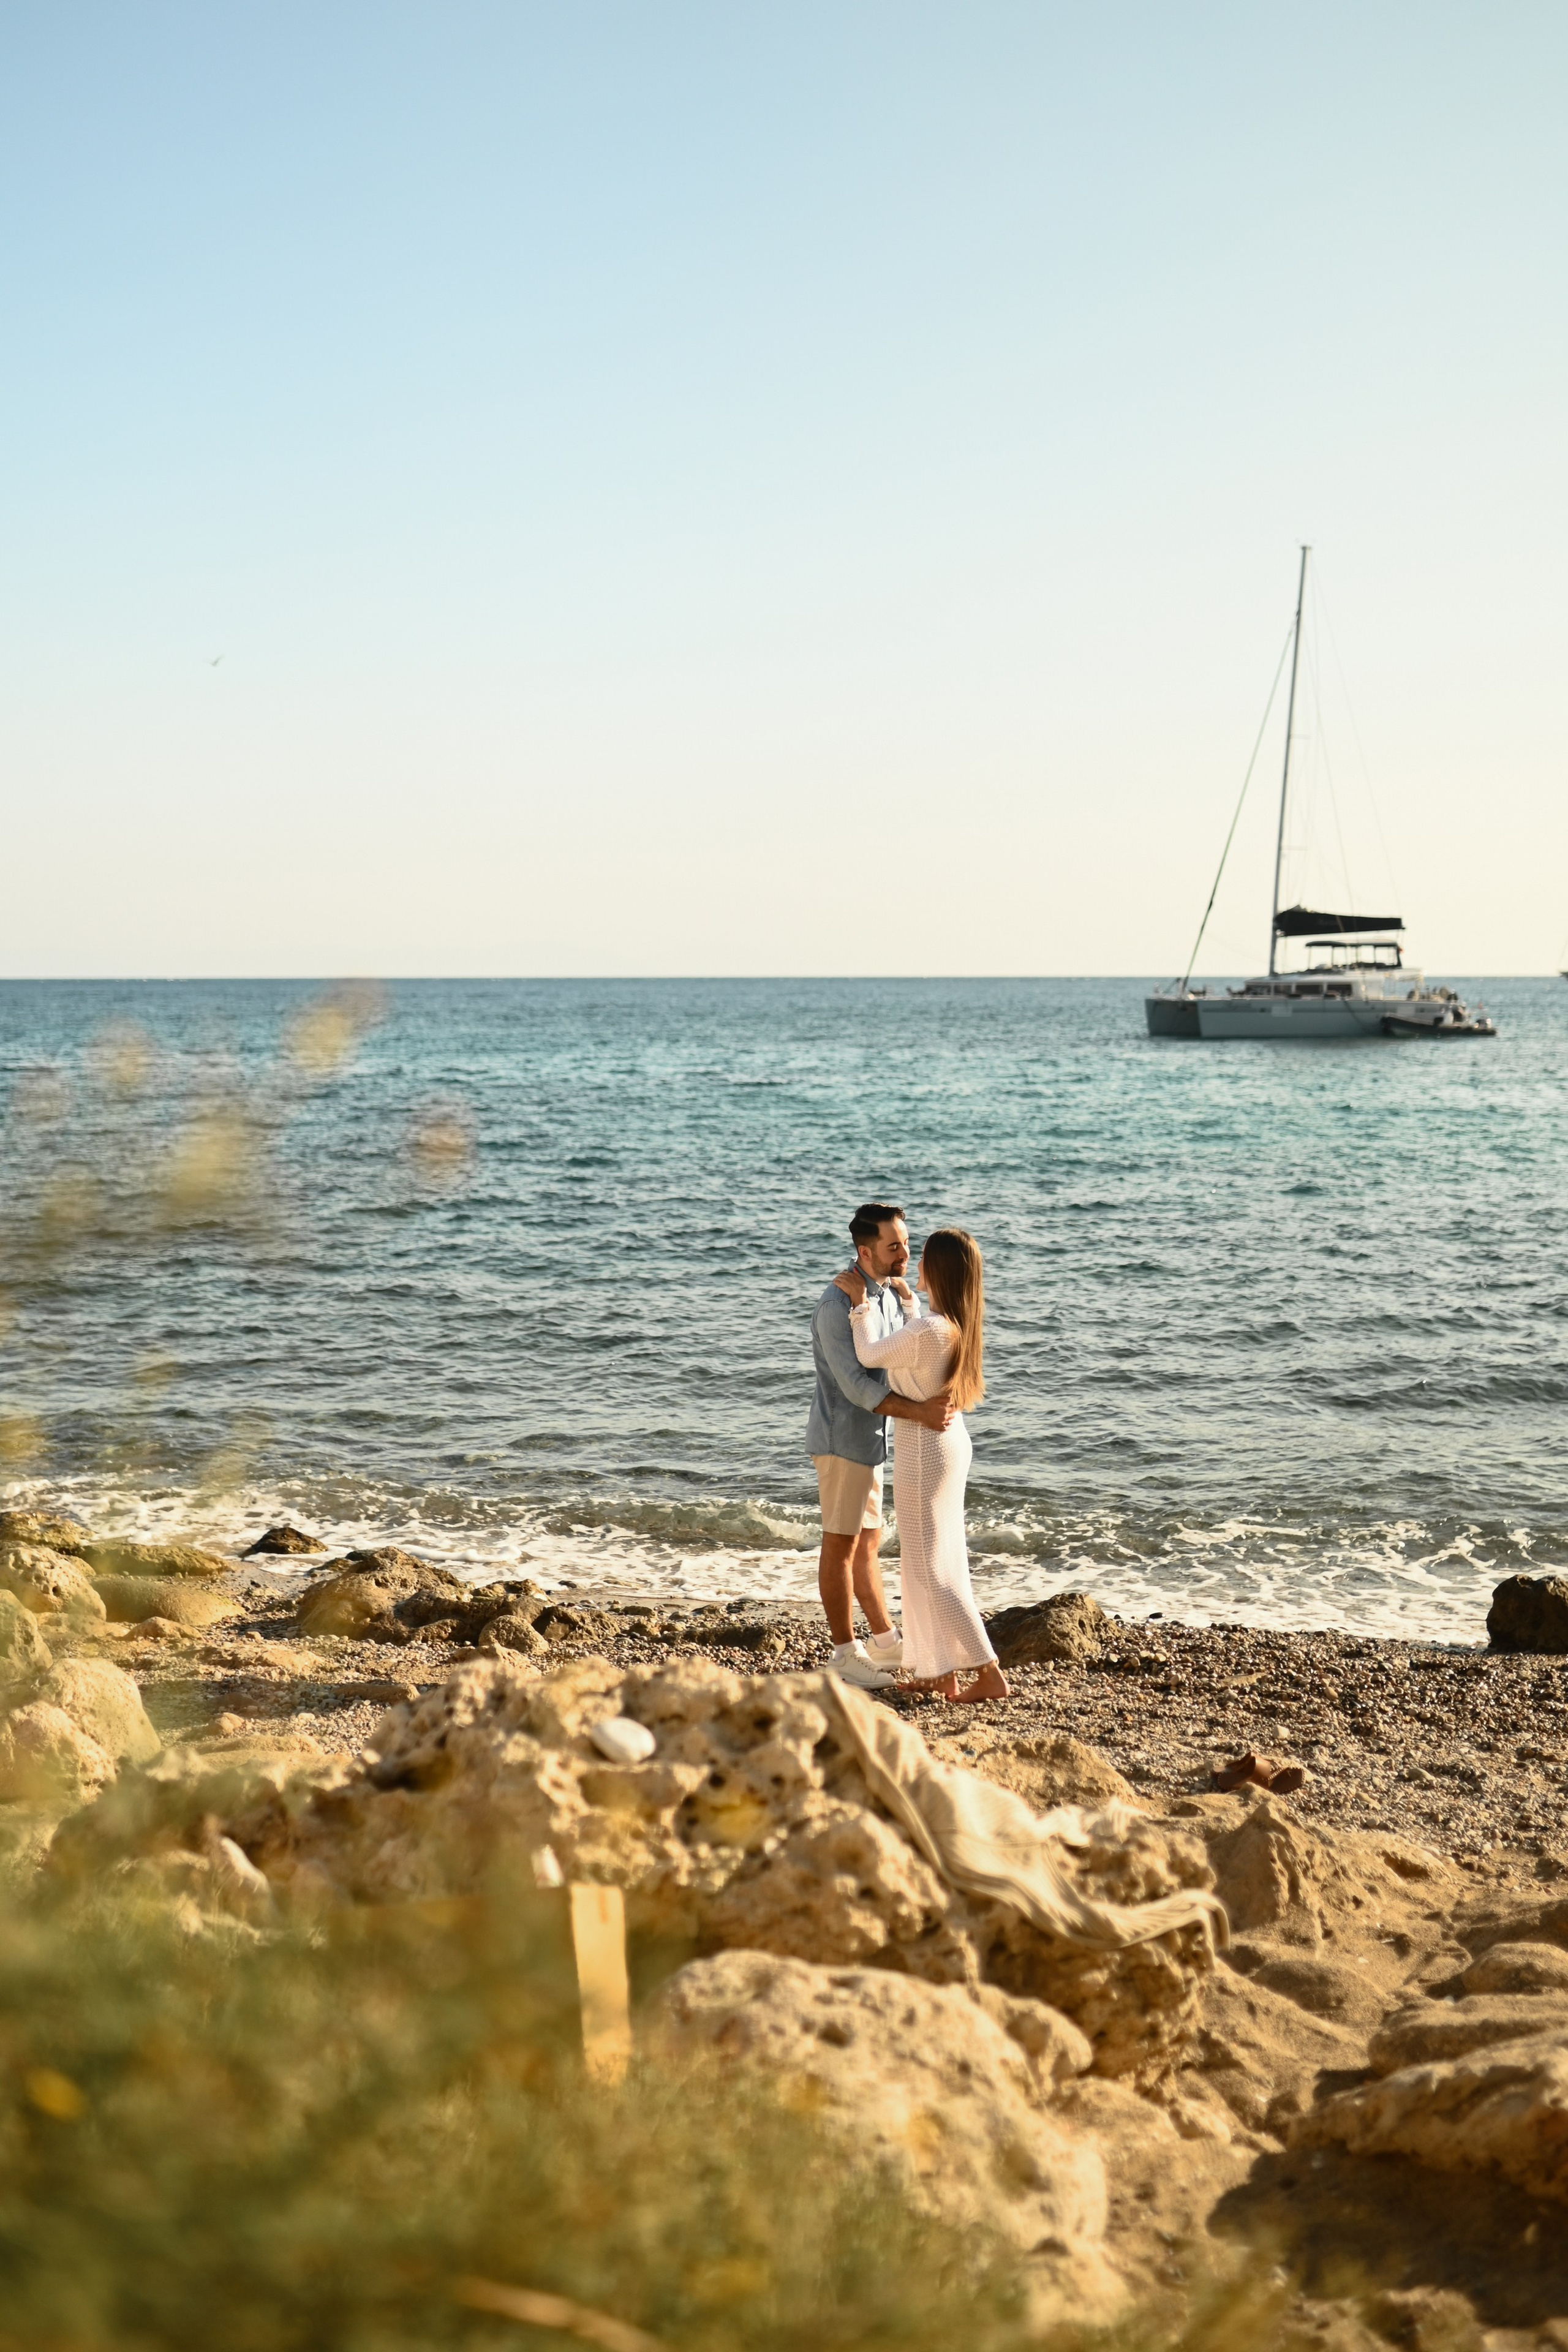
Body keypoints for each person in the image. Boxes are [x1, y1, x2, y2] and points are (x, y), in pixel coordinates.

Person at [839, 1224, 1006, 1703]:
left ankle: (988, 1670)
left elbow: (869, 1352)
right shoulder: (950, 1324)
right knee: (938, 1559)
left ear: (942, 1269)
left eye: (924, 1253)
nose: (915, 1257)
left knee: (932, 1569)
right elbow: (917, 1355)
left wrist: (860, 1306)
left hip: (924, 1452)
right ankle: (941, 1672)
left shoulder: (932, 1330)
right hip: (947, 1444)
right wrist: (909, 1305)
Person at [807, 1203, 957, 1690]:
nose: (905, 1254)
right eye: (895, 1247)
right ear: (865, 1251)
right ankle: (845, 1654)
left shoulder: (889, 1294)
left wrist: (911, 1304)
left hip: (873, 1441)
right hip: (843, 1441)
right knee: (841, 1544)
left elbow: (898, 1354)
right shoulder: (837, 1305)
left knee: (868, 1543)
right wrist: (921, 1413)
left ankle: (885, 1641)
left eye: (907, 1244)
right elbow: (857, 1386)